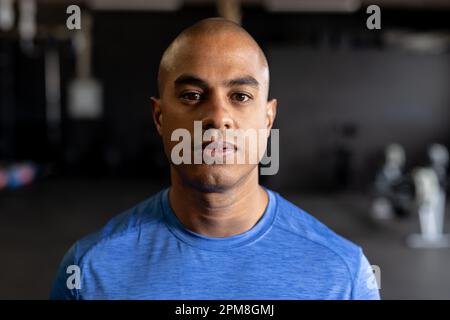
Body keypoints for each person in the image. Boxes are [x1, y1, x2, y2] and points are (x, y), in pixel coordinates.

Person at [50, 17, 380, 300]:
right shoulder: (90, 269)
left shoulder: (343, 275)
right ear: (160, 117)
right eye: (193, 96)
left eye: (240, 96)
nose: (218, 117)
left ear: (267, 120)